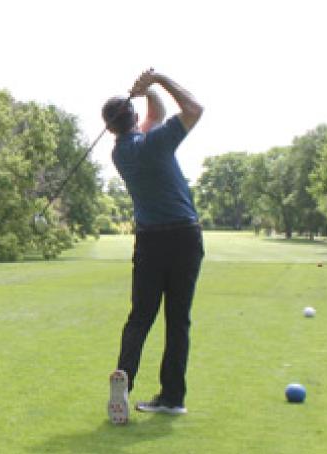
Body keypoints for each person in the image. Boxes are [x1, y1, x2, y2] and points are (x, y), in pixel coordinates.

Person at [104, 69, 204, 425]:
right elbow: (194, 109)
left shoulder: (122, 153)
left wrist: (146, 92)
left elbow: (154, 115)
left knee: (140, 317)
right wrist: (158, 81)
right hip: (184, 237)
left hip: (150, 241)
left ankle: (124, 382)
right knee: (178, 321)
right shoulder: (157, 142)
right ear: (132, 118)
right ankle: (172, 398)